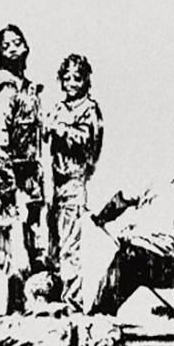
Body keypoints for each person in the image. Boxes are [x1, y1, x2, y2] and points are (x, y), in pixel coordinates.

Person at [89, 156, 174, 330]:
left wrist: (102, 217)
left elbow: (120, 200)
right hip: (161, 267)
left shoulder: (155, 186)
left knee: (103, 309)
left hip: (130, 257)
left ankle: (96, 320)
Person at [0, 24, 48, 313]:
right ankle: (16, 309)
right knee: (12, 253)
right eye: (6, 46)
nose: (14, 49)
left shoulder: (27, 88)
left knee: (36, 246)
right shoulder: (4, 88)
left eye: (18, 42)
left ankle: (35, 306)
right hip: (6, 180)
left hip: (29, 179)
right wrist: (5, 187)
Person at [42, 53, 104, 310]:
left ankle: (73, 302)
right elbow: (45, 134)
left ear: (85, 81)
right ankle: (56, 299)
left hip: (75, 182)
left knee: (70, 246)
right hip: (54, 184)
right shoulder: (58, 108)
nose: (70, 84)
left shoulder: (90, 108)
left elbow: (86, 140)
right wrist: (45, 124)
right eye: (66, 78)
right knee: (53, 246)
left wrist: (60, 129)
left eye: (76, 78)